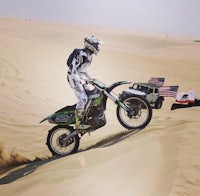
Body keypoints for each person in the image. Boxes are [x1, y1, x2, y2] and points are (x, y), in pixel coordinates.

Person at [66, 35, 103, 129]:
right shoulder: (81, 54)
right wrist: (80, 81)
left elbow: (83, 69)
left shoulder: (89, 56)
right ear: (90, 45)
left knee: (91, 96)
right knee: (83, 98)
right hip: (73, 78)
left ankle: (85, 117)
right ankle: (78, 123)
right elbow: (73, 70)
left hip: (81, 78)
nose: (97, 47)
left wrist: (90, 78)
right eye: (96, 45)